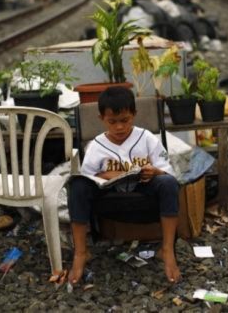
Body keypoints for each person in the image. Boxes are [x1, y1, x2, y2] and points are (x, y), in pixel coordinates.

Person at [67, 86, 182, 285]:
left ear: (134, 115)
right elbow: (87, 177)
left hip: (143, 188)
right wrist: (108, 174)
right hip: (109, 196)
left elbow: (167, 170)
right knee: (77, 186)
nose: (119, 127)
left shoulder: (145, 137)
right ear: (101, 118)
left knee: (168, 183)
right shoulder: (96, 145)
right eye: (112, 122)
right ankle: (80, 253)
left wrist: (154, 171)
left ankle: (167, 249)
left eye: (125, 120)